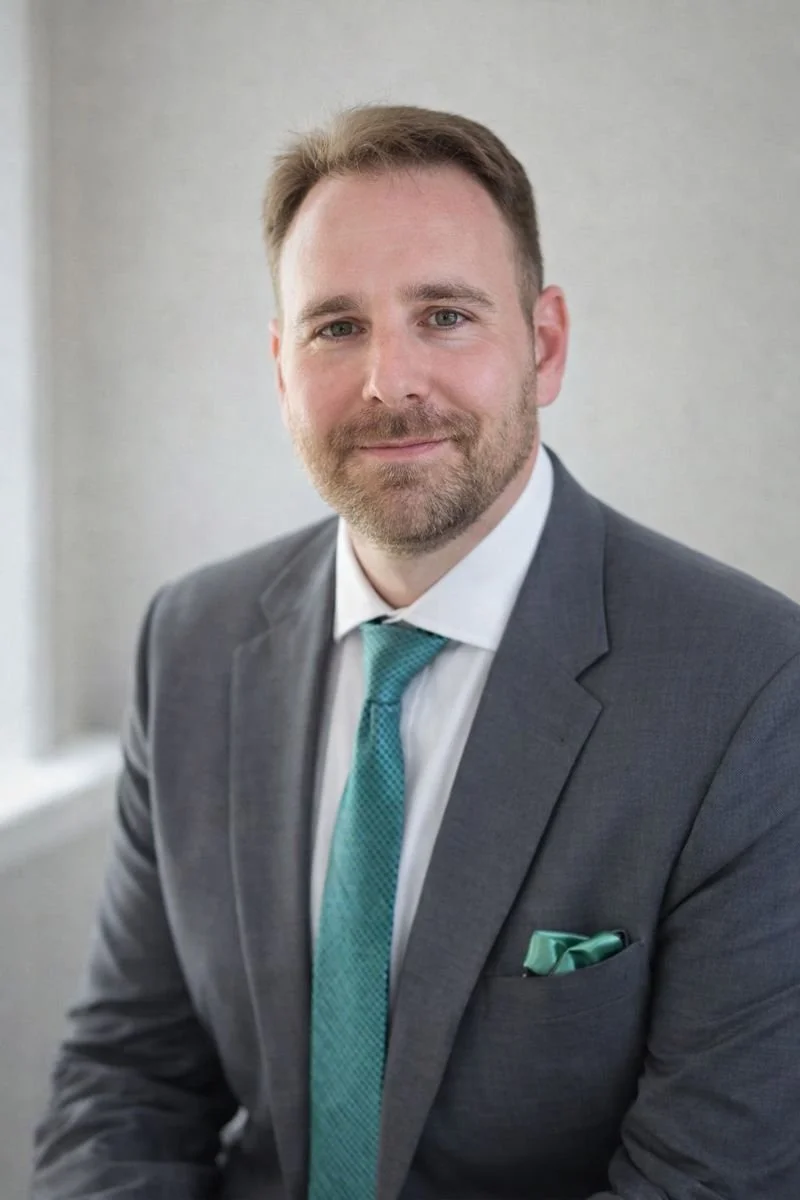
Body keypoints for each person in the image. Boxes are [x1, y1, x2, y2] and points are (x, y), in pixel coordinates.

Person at [31, 103, 800, 1200]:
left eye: (443, 314)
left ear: (542, 342)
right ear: (279, 367)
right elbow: (127, 1083)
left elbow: (710, 1178)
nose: (388, 381)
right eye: (335, 326)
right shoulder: (190, 644)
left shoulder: (746, 684)